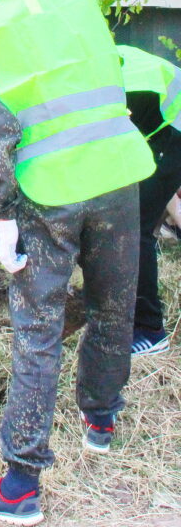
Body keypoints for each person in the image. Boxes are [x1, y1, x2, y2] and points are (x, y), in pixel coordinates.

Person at [0, 0, 155, 525]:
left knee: (38, 330)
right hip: (119, 172)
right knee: (113, 306)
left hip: (50, 192)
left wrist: (3, 216)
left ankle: (19, 486)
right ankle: (101, 421)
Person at [118, 45, 181, 356]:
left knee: (133, 229)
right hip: (163, 127)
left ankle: (150, 330)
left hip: (172, 129)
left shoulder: (89, 80)